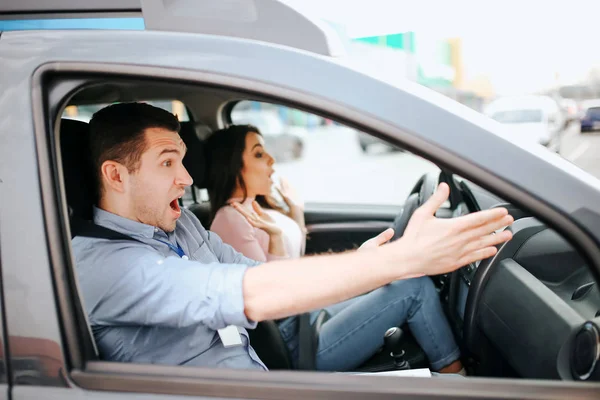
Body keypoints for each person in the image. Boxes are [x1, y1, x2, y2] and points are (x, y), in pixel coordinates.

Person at [72, 102, 513, 373]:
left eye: (184, 162)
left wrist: (360, 264)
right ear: (116, 175)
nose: (187, 179)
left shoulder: (181, 225)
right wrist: (399, 260)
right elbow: (243, 293)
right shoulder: (99, 263)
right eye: (168, 163)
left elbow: (255, 274)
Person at [204, 125, 460, 373]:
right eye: (259, 154)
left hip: (306, 317)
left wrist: (296, 213)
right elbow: (271, 300)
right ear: (232, 164)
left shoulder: (254, 208)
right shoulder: (230, 220)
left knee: (403, 281)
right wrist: (357, 268)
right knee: (415, 290)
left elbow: (294, 261)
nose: (272, 159)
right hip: (295, 342)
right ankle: (457, 379)